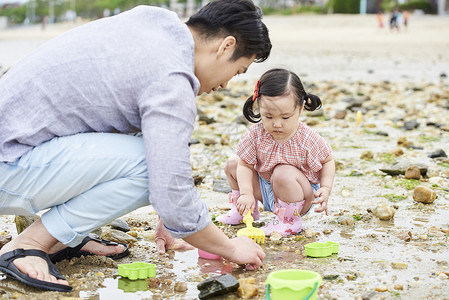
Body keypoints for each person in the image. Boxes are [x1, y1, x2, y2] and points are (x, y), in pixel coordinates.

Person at [0, 0, 271, 292]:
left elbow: (142, 126)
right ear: (226, 46)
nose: (226, 84)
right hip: (11, 164)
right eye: (238, 71)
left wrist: (168, 218)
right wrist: (230, 247)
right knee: (150, 168)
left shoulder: (153, 22)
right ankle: (29, 245)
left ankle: (65, 237)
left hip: (19, 150)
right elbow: (168, 184)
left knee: (150, 155)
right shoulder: (173, 79)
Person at [216, 68, 335, 236]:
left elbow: (328, 161)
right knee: (233, 163)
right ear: (259, 109)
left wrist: (325, 188)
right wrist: (247, 194)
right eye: (268, 116)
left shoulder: (307, 138)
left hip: (298, 196)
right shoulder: (256, 134)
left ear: (300, 109)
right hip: (267, 189)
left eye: (285, 117)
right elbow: (244, 164)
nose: (277, 124)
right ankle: (244, 210)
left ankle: (289, 221)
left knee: (282, 172)